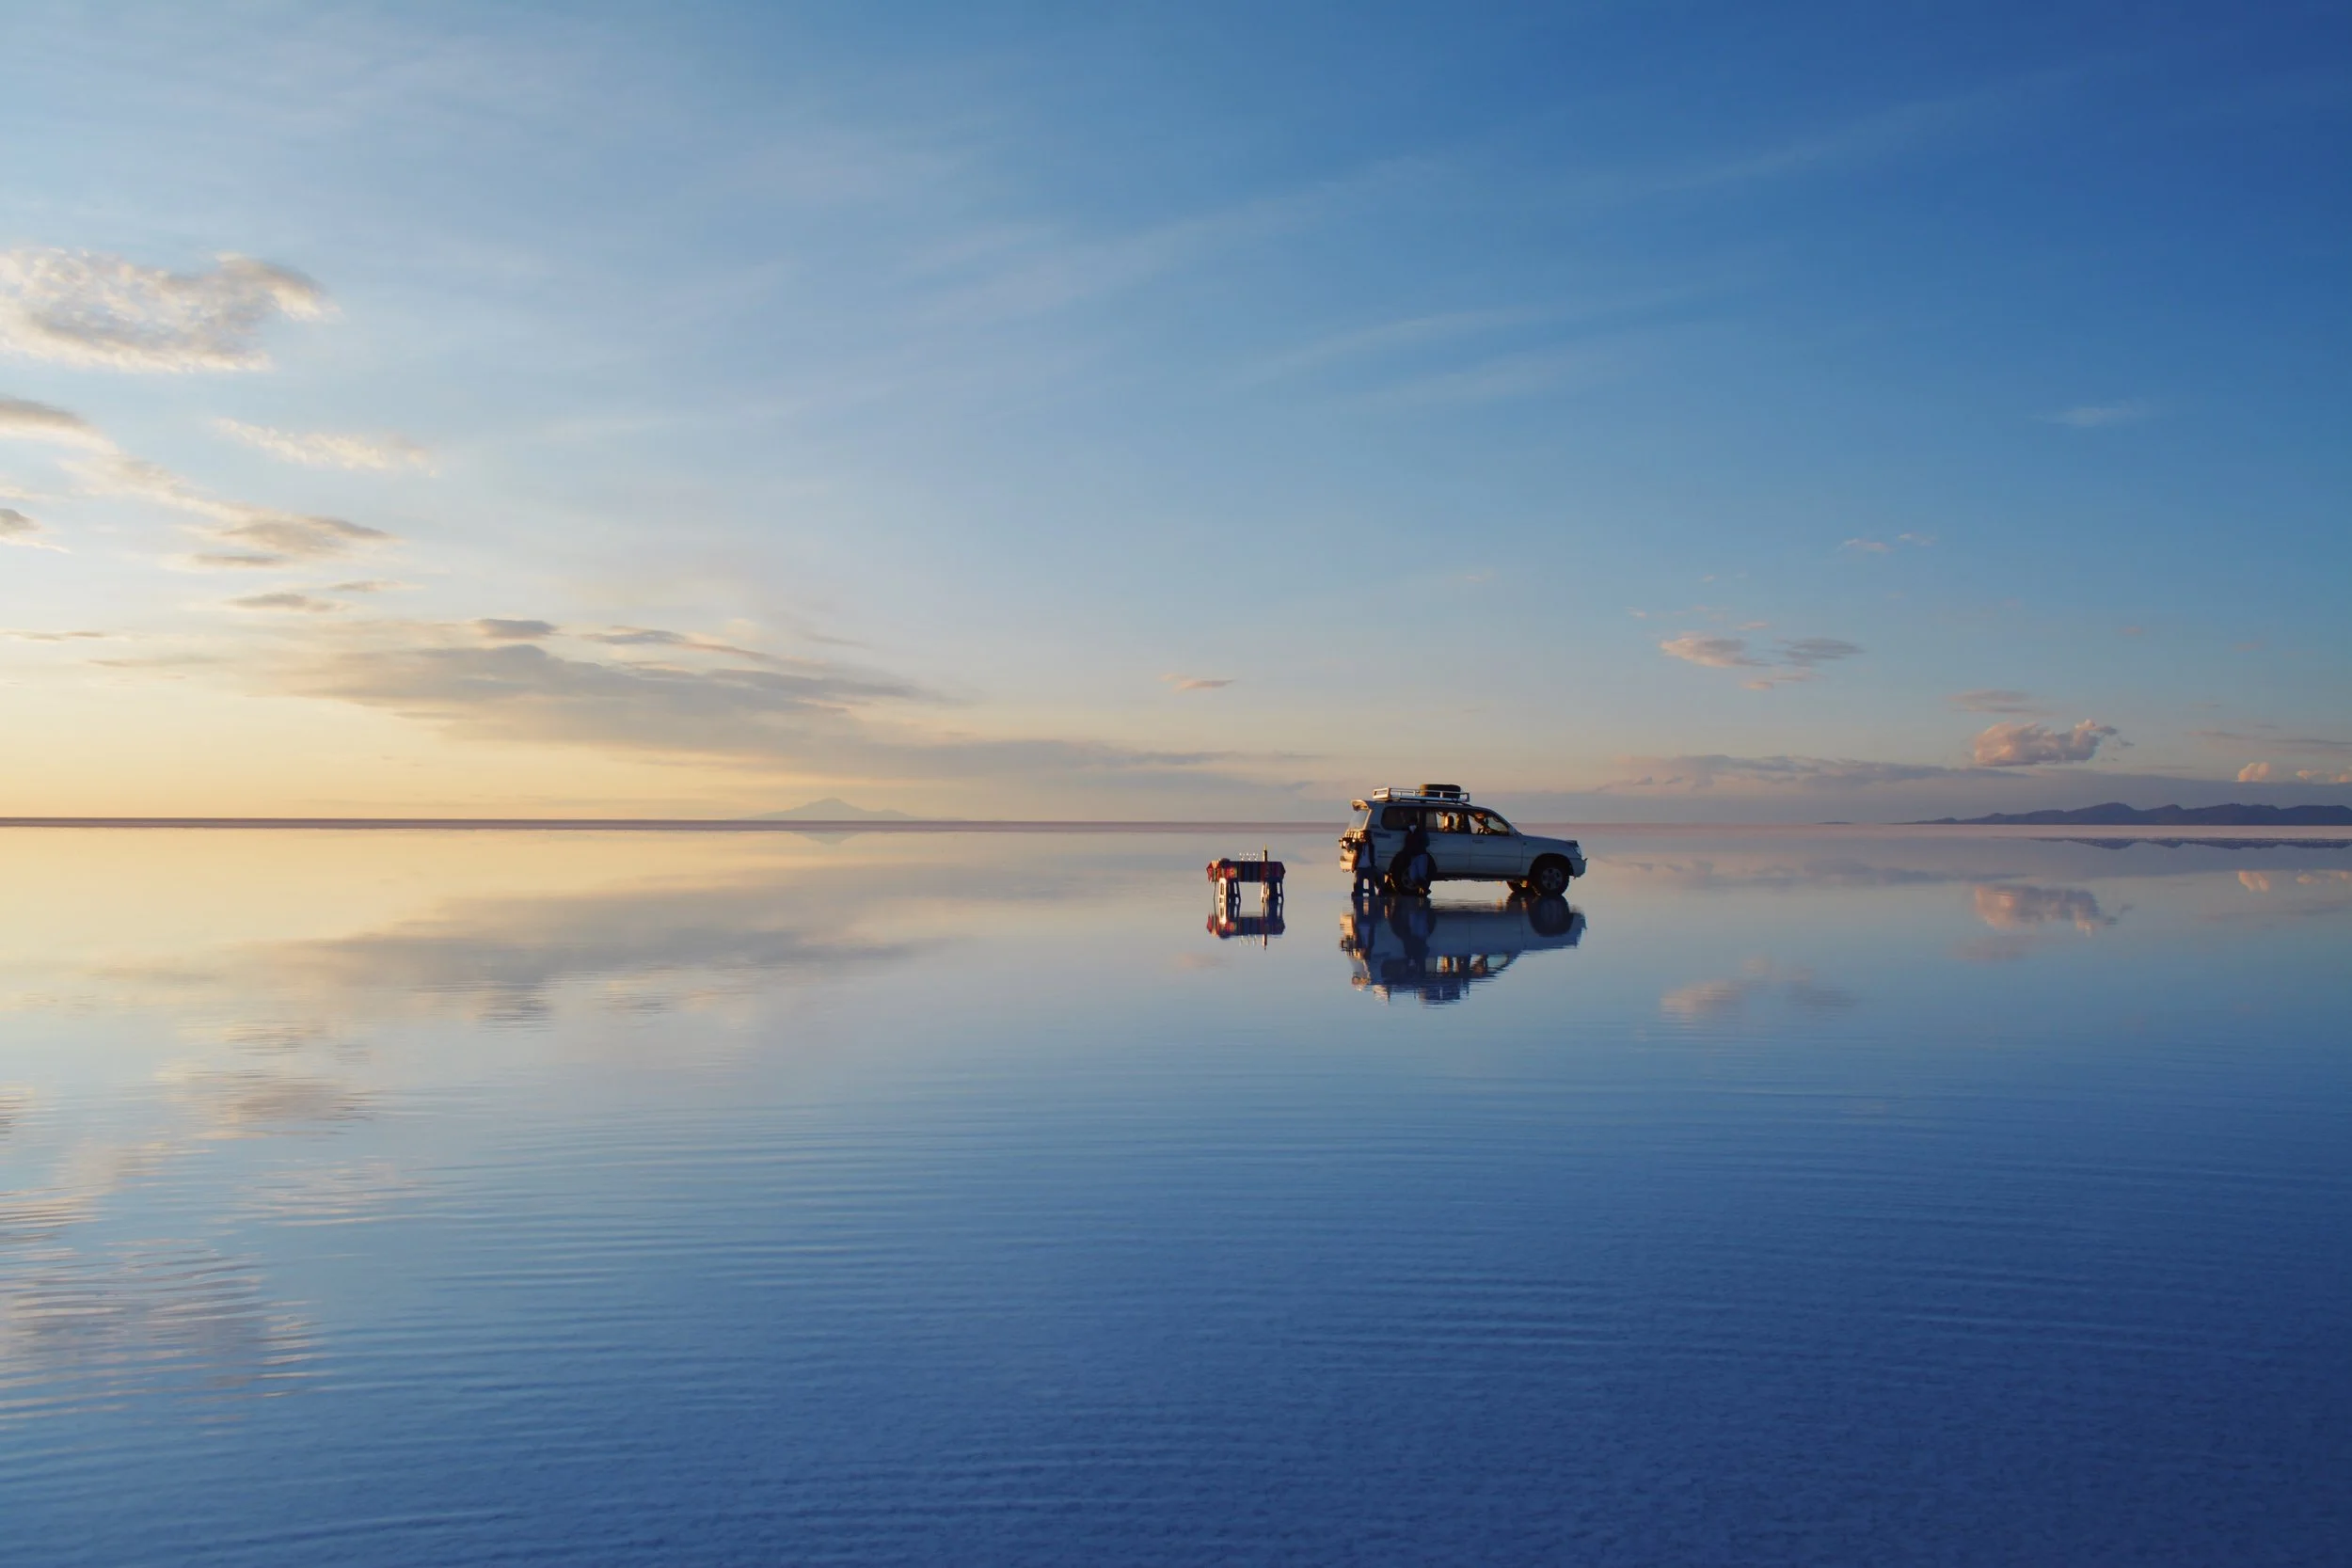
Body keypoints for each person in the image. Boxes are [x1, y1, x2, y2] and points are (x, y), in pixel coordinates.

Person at [1389, 812, 1433, 895]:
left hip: (1421, 855)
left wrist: (1418, 846)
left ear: (1416, 823)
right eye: (1410, 823)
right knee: (1413, 876)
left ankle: (1424, 890)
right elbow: (1407, 845)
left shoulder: (1421, 832)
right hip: (1413, 857)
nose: (1411, 825)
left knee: (1421, 874)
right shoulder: (1409, 833)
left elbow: (1427, 843)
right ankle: (1425, 889)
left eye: (1413, 823)